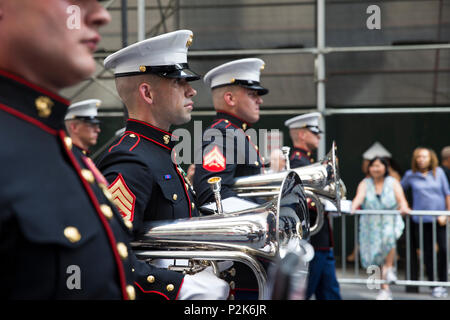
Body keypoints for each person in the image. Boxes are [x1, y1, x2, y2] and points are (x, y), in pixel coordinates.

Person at [95, 30, 229, 299]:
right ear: (147, 93)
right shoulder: (131, 160)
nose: (191, 90)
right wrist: (178, 287)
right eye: (179, 82)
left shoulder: (158, 152)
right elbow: (107, 256)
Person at [193, 58, 268, 299]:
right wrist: (265, 216)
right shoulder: (221, 136)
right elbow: (212, 195)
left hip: (247, 253)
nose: (260, 100)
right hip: (237, 262)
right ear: (230, 98)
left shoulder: (236, 135)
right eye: (252, 93)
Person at [284, 112, 342, 300]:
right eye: (314, 132)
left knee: (331, 294)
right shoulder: (297, 162)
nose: (319, 136)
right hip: (312, 242)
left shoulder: (307, 161)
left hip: (322, 242)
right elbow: (301, 201)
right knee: (303, 293)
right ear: (301, 134)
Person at [351, 157, 410, 300]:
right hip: (370, 225)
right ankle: (382, 283)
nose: (376, 169)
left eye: (379, 166)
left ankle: (386, 282)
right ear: (369, 168)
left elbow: (402, 201)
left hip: (389, 222)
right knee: (373, 257)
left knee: (389, 242)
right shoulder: (365, 183)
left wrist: (404, 208)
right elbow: (359, 197)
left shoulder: (393, 182)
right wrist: (353, 207)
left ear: (385, 168)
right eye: (373, 166)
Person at [401, 147, 450, 298]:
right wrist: (405, 206)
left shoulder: (439, 172)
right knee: (428, 253)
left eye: (424, 156)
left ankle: (443, 282)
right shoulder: (410, 175)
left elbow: (447, 193)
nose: (421, 159)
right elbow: (398, 189)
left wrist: (447, 214)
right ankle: (434, 284)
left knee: (443, 250)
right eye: (418, 157)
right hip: (421, 220)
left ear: (431, 158)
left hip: (440, 219)